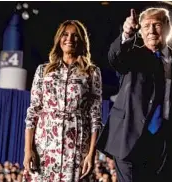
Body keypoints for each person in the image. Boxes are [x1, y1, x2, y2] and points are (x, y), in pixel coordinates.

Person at [97, 7, 172, 182]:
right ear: (140, 31)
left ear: (168, 28)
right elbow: (115, 57)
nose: (151, 30)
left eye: (156, 25)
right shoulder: (131, 57)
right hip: (130, 141)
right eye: (146, 26)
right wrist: (126, 33)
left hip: (169, 145)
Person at [23, 20, 102, 181]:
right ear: (59, 39)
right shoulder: (43, 71)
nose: (69, 39)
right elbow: (33, 112)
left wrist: (91, 154)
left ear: (81, 40)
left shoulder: (92, 73)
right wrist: (28, 150)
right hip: (44, 147)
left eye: (75, 35)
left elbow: (95, 117)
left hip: (76, 149)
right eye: (65, 34)